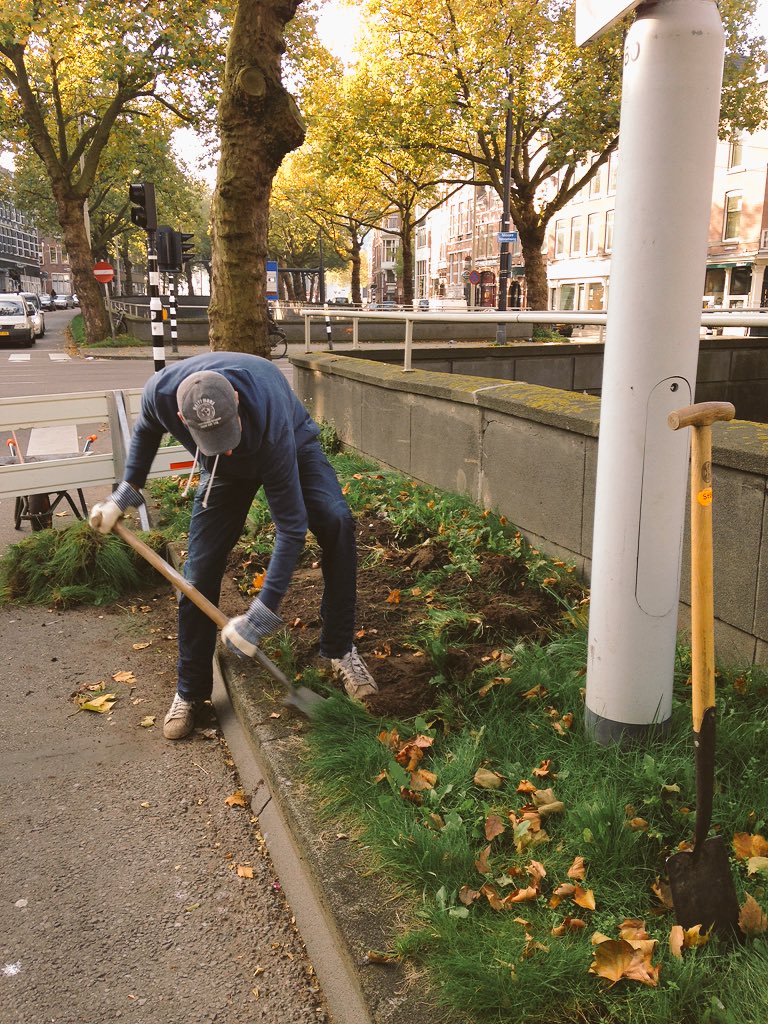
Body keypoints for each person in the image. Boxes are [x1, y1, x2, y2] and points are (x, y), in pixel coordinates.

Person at [89, 351, 377, 739]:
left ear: (237, 402)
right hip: (223, 476)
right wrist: (126, 493)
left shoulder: (269, 416)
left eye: (226, 435)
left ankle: (339, 648)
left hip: (289, 445)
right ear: (182, 419)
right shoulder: (162, 392)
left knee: (336, 522)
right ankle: (190, 690)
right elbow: (145, 431)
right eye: (213, 440)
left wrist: (260, 616)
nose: (225, 447)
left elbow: (291, 528)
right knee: (199, 569)